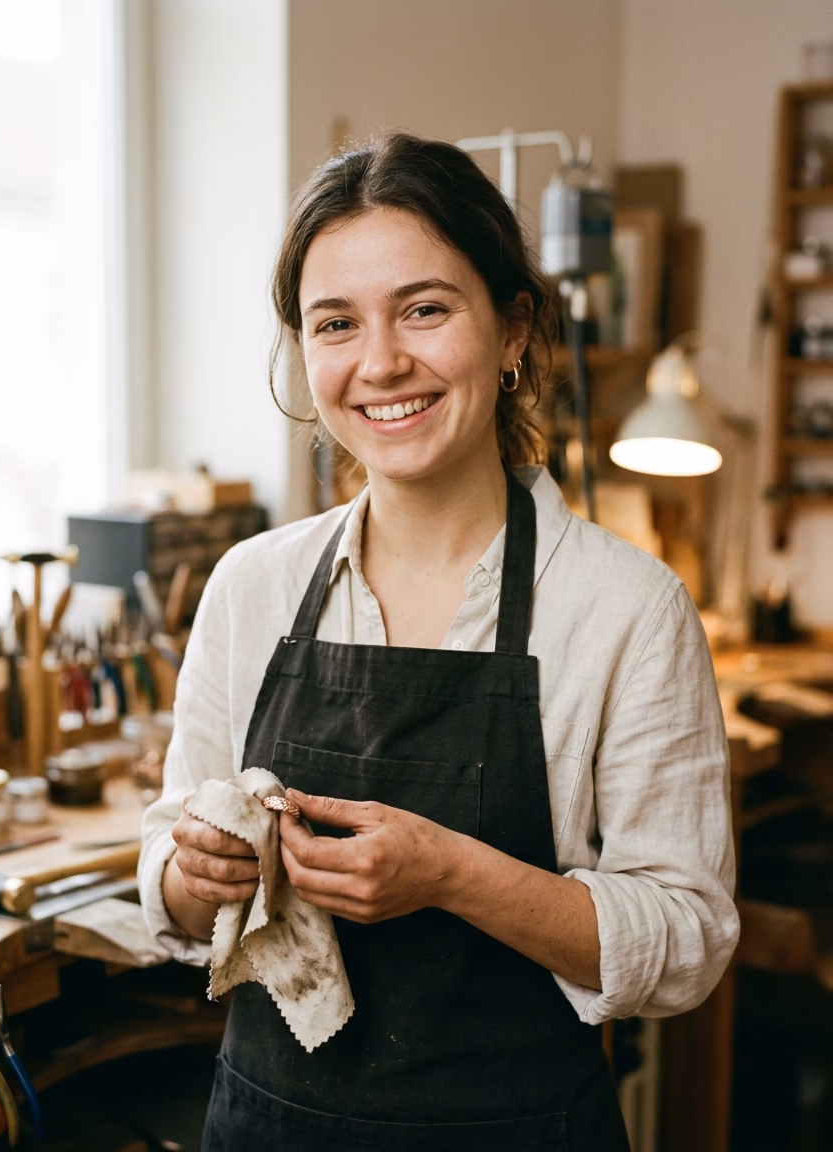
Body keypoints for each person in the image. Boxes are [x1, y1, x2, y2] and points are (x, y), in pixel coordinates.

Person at [139, 132, 739, 1152]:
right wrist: (194, 876)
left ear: (512, 332)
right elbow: (165, 852)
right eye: (336, 323)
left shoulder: (627, 606)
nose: (380, 362)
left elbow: (684, 940)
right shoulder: (253, 586)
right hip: (269, 1125)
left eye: (424, 308)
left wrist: (453, 875)